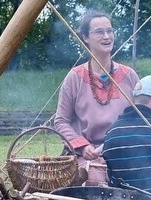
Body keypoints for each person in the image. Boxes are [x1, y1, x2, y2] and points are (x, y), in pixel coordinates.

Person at [54, 10, 139, 185]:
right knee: (95, 180)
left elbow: (140, 118)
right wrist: (83, 146)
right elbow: (61, 121)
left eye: (110, 31)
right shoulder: (75, 77)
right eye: (99, 32)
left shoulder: (129, 75)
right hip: (87, 154)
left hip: (123, 151)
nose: (107, 36)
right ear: (85, 37)